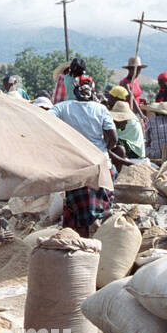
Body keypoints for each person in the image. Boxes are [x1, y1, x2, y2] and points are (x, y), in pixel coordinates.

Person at [50, 80, 118, 234]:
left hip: (76, 165)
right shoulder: (100, 109)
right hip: (100, 166)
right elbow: (113, 138)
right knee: (103, 208)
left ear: (75, 93)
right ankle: (100, 241)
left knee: (77, 211)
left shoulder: (62, 107)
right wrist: (105, 149)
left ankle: (80, 242)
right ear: (92, 93)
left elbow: (46, 119)